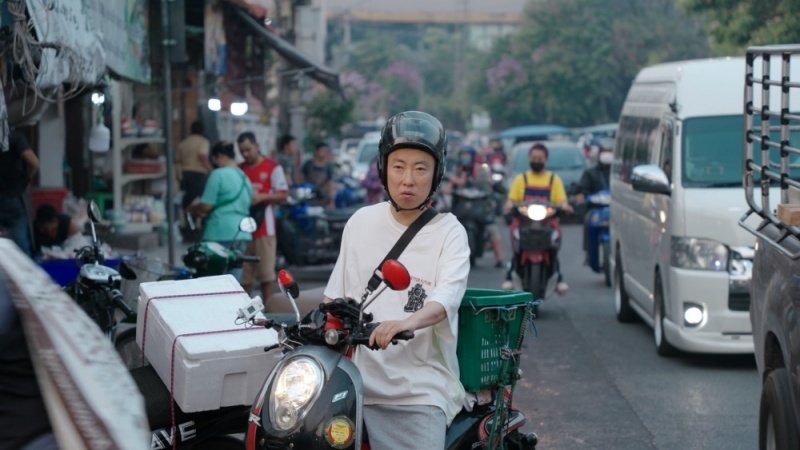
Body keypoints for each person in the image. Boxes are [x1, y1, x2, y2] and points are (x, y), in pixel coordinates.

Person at [324, 111, 469, 450]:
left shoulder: (450, 233)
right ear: (383, 168)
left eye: (421, 168)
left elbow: (444, 300)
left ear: (436, 173)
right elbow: (336, 297)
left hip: (415, 391)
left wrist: (405, 323)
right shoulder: (360, 222)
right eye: (399, 166)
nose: (408, 179)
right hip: (352, 383)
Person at [503, 142, 573, 295]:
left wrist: (565, 206)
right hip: (524, 222)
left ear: (546, 160)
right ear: (529, 158)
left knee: (553, 248)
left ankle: (559, 277)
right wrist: (508, 206)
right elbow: (511, 199)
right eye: (534, 158)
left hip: (548, 222)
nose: (537, 160)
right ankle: (510, 274)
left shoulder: (554, 180)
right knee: (516, 247)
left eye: (540, 158)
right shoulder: (521, 179)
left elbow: (561, 200)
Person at [187, 141, 253, 280]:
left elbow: (206, 206)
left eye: (215, 159)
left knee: (214, 279)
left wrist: (192, 208)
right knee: (234, 278)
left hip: (219, 231)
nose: (215, 163)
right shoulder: (244, 177)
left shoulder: (218, 174)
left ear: (220, 156)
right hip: (241, 234)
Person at [237, 131, 288, 301]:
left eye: (248, 149)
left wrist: (262, 197)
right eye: (242, 151)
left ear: (257, 146)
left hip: (265, 229)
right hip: (243, 230)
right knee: (245, 277)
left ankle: (269, 312)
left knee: (266, 277)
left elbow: (283, 195)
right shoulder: (239, 169)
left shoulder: (272, 167)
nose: (245, 154)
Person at [448, 146, 504, 268]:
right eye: (463, 154)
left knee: (492, 229)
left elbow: (489, 184)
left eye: (467, 155)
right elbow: (449, 185)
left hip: (480, 205)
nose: (465, 157)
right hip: (461, 206)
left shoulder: (481, 169)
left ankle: (499, 259)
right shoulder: (456, 169)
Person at [0, 129, 39, 256]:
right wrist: (26, 178)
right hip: (13, 197)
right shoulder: (15, 137)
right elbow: (33, 162)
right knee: (21, 247)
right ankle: (25, 274)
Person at [576, 138, 613, 259]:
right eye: (604, 151)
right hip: (597, 208)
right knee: (588, 220)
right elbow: (582, 189)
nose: (607, 155)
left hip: (616, 208)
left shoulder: (618, 172)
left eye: (609, 151)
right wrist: (582, 196)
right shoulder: (590, 173)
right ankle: (588, 251)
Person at [175, 121, 212, 210]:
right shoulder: (203, 142)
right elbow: (202, 156)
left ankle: (185, 218)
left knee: (187, 197)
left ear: (191, 130)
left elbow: (177, 161)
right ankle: (193, 219)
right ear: (203, 131)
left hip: (185, 173)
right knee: (197, 200)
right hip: (198, 174)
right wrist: (211, 170)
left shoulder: (183, 143)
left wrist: (178, 176)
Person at [301, 142, 336, 209]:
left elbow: (330, 183)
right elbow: (301, 180)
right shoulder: (308, 164)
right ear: (317, 151)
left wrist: (332, 201)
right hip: (309, 198)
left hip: (323, 199)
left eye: (326, 151)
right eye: (323, 151)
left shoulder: (328, 166)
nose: (325, 153)